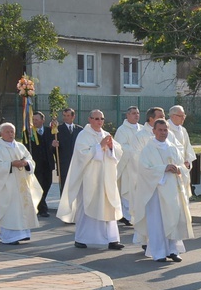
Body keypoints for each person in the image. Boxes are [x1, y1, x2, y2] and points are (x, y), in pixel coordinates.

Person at [56, 109, 125, 250]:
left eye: (101, 118)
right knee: (86, 207)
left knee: (109, 206)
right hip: (90, 179)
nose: (99, 121)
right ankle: (81, 238)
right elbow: (82, 155)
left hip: (106, 178)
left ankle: (112, 239)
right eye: (96, 118)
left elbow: (118, 152)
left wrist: (112, 147)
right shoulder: (83, 135)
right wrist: (100, 146)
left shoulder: (106, 134)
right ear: (90, 119)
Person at [133, 119, 194, 262]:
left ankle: (173, 250)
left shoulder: (173, 148)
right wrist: (163, 169)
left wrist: (179, 169)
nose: (162, 133)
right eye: (159, 130)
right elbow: (143, 169)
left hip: (172, 190)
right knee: (158, 223)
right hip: (155, 192)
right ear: (153, 131)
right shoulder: (148, 149)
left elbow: (183, 167)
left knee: (173, 219)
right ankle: (159, 252)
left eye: (165, 130)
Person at [0, 123, 42, 245]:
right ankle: (9, 236)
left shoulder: (20, 146)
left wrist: (26, 163)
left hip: (22, 184)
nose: (10, 134)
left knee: (22, 208)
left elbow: (30, 159)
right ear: (1, 134)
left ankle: (23, 234)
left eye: (12, 131)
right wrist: (11, 164)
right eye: (7, 132)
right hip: (7, 185)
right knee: (10, 209)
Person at [114, 106, 142, 225]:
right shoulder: (122, 130)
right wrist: (136, 152)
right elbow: (120, 147)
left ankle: (137, 215)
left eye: (138, 113)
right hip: (128, 166)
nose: (136, 115)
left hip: (140, 166)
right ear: (127, 115)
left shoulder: (142, 129)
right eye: (133, 113)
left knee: (138, 192)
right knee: (128, 190)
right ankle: (127, 215)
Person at [28, 111, 55, 217]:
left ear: (42, 120)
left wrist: (53, 145)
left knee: (47, 184)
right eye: (33, 120)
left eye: (37, 119)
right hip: (36, 163)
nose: (35, 122)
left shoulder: (50, 131)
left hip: (47, 163)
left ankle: (38, 204)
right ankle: (42, 208)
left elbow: (53, 146)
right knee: (38, 185)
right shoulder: (29, 132)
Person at [167, 105, 197, 196]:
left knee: (183, 195)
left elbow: (187, 147)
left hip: (183, 167)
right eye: (181, 116)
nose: (183, 118)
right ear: (173, 116)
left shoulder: (183, 130)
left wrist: (188, 161)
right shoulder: (166, 129)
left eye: (184, 115)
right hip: (172, 167)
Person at [53, 107, 83, 195]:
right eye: (64, 115)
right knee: (64, 188)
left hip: (77, 163)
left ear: (73, 117)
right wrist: (54, 145)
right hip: (64, 164)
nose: (66, 118)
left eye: (68, 115)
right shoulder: (57, 130)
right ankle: (64, 207)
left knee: (76, 188)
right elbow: (53, 150)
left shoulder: (79, 130)